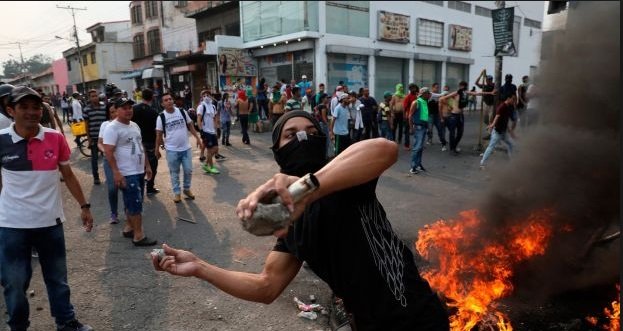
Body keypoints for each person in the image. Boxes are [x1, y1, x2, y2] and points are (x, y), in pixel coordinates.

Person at [153, 111, 449, 331]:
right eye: (291, 134)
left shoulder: (343, 179)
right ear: (279, 152)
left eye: (311, 130)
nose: (304, 137)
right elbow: (266, 287)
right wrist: (200, 268)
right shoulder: (291, 221)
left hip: (419, 318)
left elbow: (385, 149)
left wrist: (308, 187)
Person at [0, 86, 94, 331]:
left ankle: (66, 322)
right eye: (24, 107)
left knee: (57, 279)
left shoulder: (55, 138)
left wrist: (84, 206)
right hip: (12, 225)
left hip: (49, 222)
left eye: (36, 106)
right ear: (11, 110)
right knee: (14, 281)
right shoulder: (1, 141)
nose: (32, 112)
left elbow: (69, 174)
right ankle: (17, 326)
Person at [103, 97, 157, 247]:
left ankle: (129, 228)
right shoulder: (112, 128)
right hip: (127, 172)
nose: (128, 110)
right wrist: (116, 172)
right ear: (117, 110)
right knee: (136, 204)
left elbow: (141, 146)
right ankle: (138, 235)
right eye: (124, 108)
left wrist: (147, 165)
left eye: (130, 107)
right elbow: (108, 152)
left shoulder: (134, 125)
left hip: (139, 169)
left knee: (131, 201)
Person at [155, 92, 203, 202]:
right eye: (166, 100)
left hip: (186, 148)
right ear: (162, 104)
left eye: (170, 99)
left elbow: (190, 125)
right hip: (172, 150)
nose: (169, 101)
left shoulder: (181, 111)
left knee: (188, 170)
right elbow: (158, 134)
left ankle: (186, 189)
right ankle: (177, 193)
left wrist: (198, 138)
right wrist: (158, 148)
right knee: (174, 172)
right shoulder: (161, 117)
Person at [131, 88, 161, 195]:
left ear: (142, 96)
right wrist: (159, 146)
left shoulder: (133, 109)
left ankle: (137, 188)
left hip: (135, 143)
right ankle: (149, 188)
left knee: (138, 166)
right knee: (152, 166)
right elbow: (157, 131)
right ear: (152, 97)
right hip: (150, 143)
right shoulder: (154, 112)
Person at [98, 102, 123, 224]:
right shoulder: (105, 125)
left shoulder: (126, 124)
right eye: (111, 112)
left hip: (123, 161)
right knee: (112, 188)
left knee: (126, 187)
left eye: (116, 111)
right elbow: (99, 143)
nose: (114, 114)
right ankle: (114, 213)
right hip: (109, 160)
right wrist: (106, 151)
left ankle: (131, 213)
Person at [480, 94, 516, 169]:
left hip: (503, 132)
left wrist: (510, 132)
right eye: (513, 99)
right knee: (491, 147)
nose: (514, 101)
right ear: (508, 98)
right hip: (497, 132)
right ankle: (482, 163)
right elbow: (497, 116)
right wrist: (492, 125)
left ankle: (513, 161)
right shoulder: (502, 106)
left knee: (511, 144)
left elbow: (506, 121)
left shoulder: (508, 107)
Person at [83, 89, 107, 185]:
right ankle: (96, 177)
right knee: (94, 158)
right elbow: (86, 125)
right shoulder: (87, 109)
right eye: (92, 96)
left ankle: (108, 175)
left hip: (105, 138)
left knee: (107, 156)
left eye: (96, 95)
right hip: (93, 137)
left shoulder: (104, 107)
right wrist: (89, 138)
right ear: (89, 98)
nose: (95, 97)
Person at [197, 90, 222, 175]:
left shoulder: (213, 107)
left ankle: (206, 164)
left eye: (208, 95)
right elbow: (199, 119)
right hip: (206, 131)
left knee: (215, 149)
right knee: (209, 150)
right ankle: (211, 167)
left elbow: (215, 118)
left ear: (211, 96)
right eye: (204, 95)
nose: (206, 96)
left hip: (212, 131)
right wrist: (201, 131)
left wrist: (217, 128)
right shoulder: (201, 106)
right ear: (202, 97)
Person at [409, 87, 431, 174]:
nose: (429, 94)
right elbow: (410, 116)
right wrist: (411, 128)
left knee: (420, 148)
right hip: (418, 127)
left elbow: (425, 116)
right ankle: (413, 167)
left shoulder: (425, 102)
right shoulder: (416, 102)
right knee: (416, 147)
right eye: (428, 93)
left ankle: (418, 164)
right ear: (423, 94)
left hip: (424, 126)